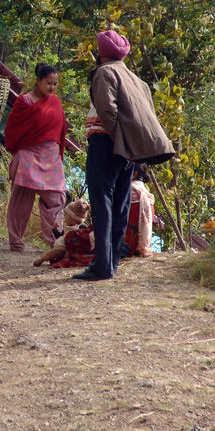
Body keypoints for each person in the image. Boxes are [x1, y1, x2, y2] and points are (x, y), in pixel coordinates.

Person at [73, 30, 174, 281]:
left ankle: (102, 266)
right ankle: (112, 262)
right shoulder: (137, 81)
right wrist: (127, 145)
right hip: (127, 150)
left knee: (102, 202)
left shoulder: (104, 73)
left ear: (101, 52)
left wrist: (117, 139)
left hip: (105, 143)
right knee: (120, 203)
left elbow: (107, 111)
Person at [3, 63, 67, 252]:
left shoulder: (55, 102)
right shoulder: (24, 102)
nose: (52, 88)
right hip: (29, 155)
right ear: (38, 81)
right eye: (49, 83)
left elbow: (60, 131)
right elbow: (12, 128)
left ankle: (55, 241)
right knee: (21, 200)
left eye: (55, 84)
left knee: (56, 199)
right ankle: (16, 240)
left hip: (51, 157)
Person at [34, 199, 90, 267]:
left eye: (66, 215)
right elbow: (62, 237)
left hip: (67, 251)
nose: (65, 217)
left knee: (59, 250)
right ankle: (50, 258)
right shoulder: (69, 228)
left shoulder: (77, 230)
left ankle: (42, 258)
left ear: (72, 218)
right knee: (57, 250)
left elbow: (66, 239)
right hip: (64, 251)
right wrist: (55, 230)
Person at [124, 163, 156, 257]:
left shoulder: (126, 192)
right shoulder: (148, 195)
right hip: (136, 247)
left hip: (123, 245)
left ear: (134, 174)